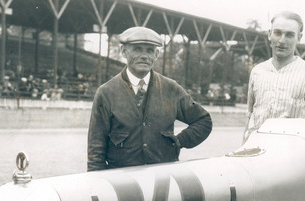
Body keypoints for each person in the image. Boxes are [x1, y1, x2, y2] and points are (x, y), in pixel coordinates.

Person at [87, 26, 212, 171]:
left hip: (162, 177)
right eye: (137, 49)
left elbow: (204, 121)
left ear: (156, 54)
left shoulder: (171, 89)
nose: (144, 56)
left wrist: (178, 141)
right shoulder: (106, 93)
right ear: (123, 51)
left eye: (150, 50)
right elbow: (96, 146)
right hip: (121, 180)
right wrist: (97, 180)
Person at [243, 11, 305, 142]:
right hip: (257, 151)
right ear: (269, 34)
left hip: (293, 155)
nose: (282, 41)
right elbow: (250, 117)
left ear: (299, 37)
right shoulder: (258, 71)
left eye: (290, 35)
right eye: (277, 33)